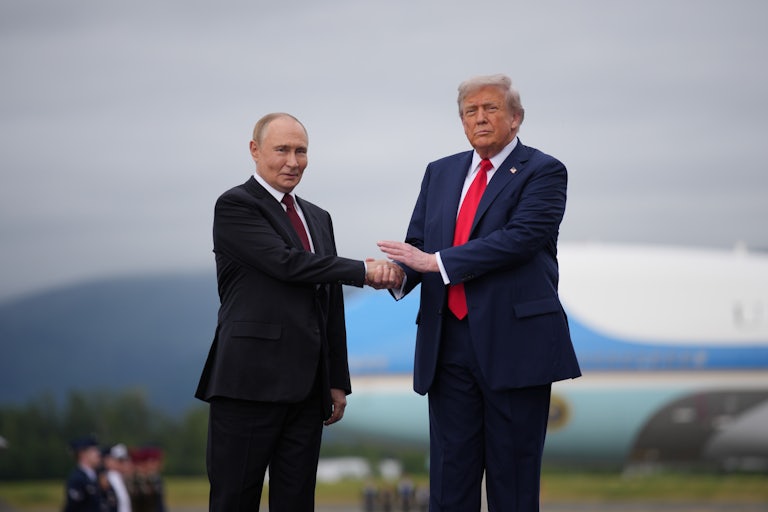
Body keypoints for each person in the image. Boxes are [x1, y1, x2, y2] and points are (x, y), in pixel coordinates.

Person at [378, 74, 581, 511]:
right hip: (447, 345)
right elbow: (420, 244)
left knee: (513, 485)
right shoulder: (440, 172)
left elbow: (520, 238)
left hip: (515, 345)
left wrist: (436, 262)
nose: (480, 118)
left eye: (491, 108)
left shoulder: (544, 171)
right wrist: (397, 275)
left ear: (516, 118)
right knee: (449, 482)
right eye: (470, 111)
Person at [194, 112, 402, 512]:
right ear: (255, 151)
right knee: (234, 500)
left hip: (307, 389)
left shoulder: (318, 217)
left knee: (297, 502)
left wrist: (336, 380)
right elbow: (286, 263)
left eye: (301, 151)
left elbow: (330, 301)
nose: (293, 161)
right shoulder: (236, 205)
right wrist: (363, 270)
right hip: (248, 384)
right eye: (282, 150)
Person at [63, 436, 105, 512]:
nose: (98, 454)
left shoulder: (94, 476)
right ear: (82, 454)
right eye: (94, 450)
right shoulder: (77, 479)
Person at [102, 444, 132, 512]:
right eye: (120, 461)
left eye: (126, 460)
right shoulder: (109, 477)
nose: (125, 464)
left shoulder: (120, 477)